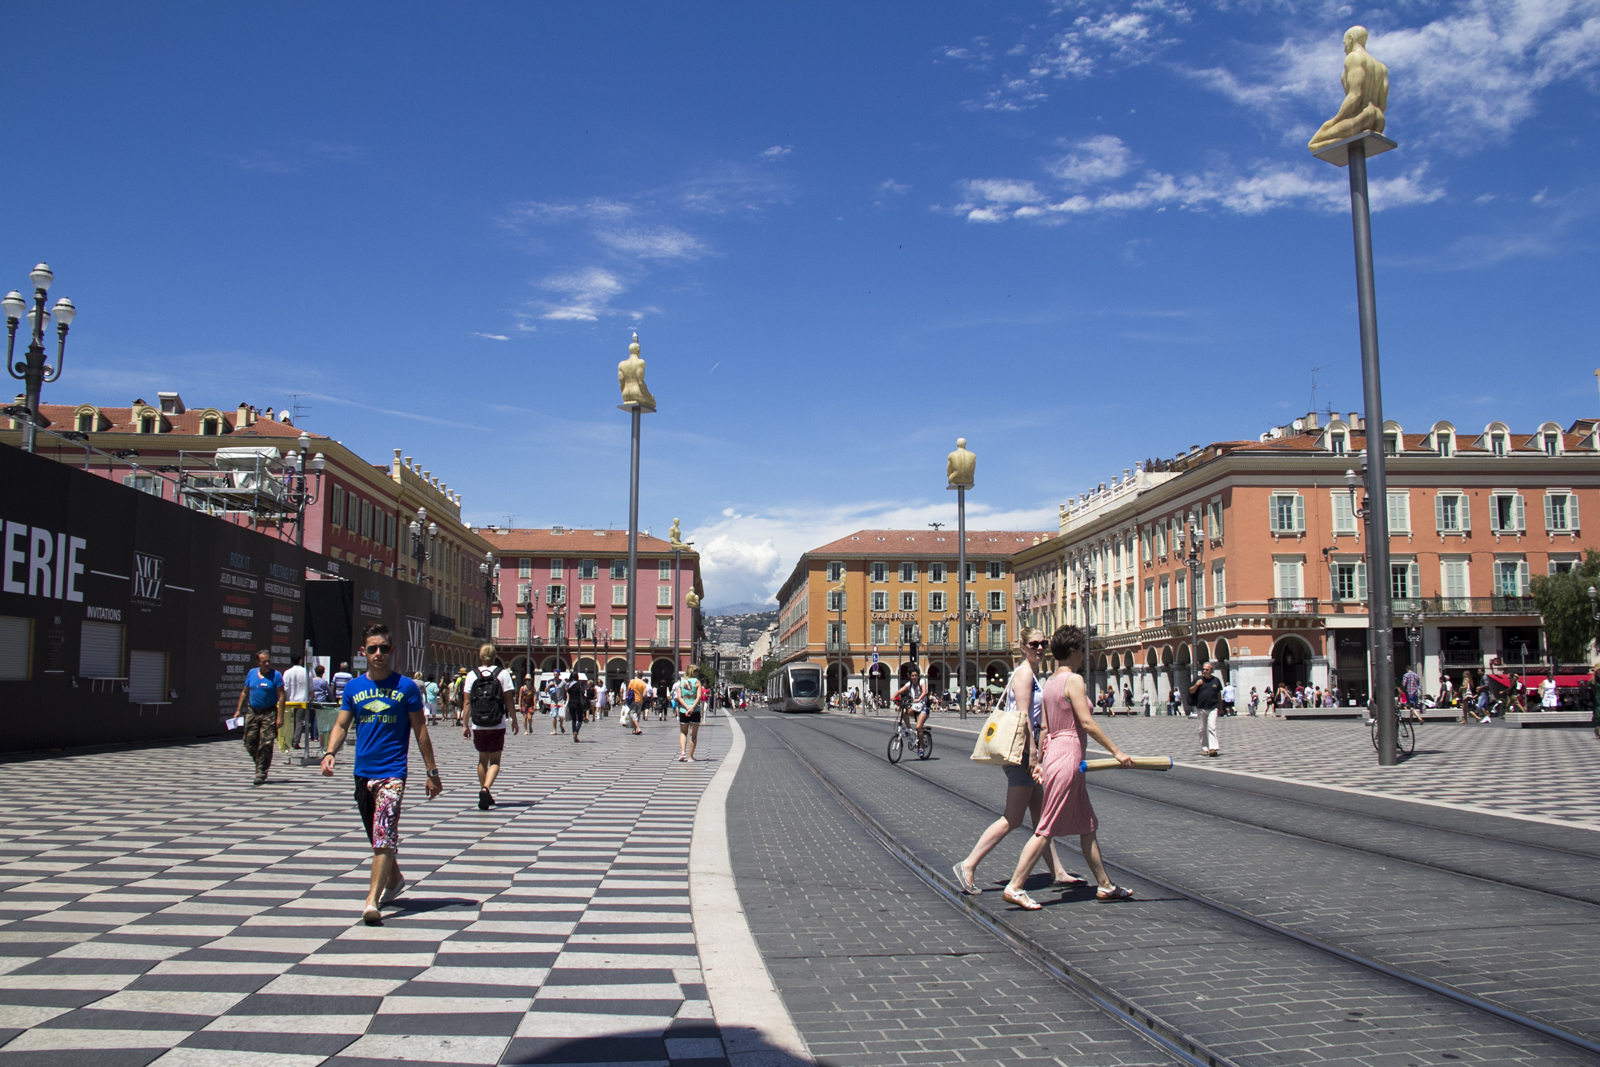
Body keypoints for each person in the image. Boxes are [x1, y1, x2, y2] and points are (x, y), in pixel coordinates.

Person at [1001, 625, 1136, 909]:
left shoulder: (1049, 682)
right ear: (1074, 652)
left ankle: (1105, 885)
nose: (1084, 655)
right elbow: (1086, 723)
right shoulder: (1073, 680)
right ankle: (1015, 886)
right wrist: (1117, 752)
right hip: (1069, 753)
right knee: (1046, 826)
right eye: (1083, 650)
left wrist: (1039, 760)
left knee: (1087, 823)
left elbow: (1046, 727)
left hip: (1056, 752)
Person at [320, 623, 442, 925]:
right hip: (362, 773)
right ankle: (395, 878)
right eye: (372, 648)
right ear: (364, 652)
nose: (378, 654)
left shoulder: (406, 688)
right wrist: (330, 752)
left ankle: (371, 900)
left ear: (392, 651)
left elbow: (420, 731)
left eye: (384, 648)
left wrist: (432, 772)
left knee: (383, 836)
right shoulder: (353, 688)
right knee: (377, 836)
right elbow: (341, 725)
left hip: (392, 774)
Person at [954, 629, 1081, 897]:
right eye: (1034, 644)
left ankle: (1057, 871)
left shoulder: (1033, 674)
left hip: (1027, 751)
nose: (1040, 647)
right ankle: (967, 865)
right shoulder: (1024, 673)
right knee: (1012, 819)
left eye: (1043, 643)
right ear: (1022, 647)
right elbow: (1023, 717)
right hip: (1023, 752)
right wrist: (1035, 755)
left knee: (1042, 818)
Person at [462, 643, 517, 810]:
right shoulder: (503, 674)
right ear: (495, 655)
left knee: (482, 759)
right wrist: (514, 719)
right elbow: (508, 700)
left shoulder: (472, 675)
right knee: (495, 761)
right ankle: (486, 789)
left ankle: (484, 790)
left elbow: (466, 702)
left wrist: (465, 724)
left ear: (480, 656)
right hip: (497, 723)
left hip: (478, 724)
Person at [235, 649, 285, 785]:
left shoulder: (276, 675)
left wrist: (280, 717)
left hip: (269, 712)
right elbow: (245, 692)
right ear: (258, 662)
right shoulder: (252, 673)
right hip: (253, 711)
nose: (267, 664)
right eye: (264, 662)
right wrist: (238, 710)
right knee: (249, 741)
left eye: (269, 661)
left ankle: (261, 771)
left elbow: (281, 695)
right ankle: (259, 761)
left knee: (266, 742)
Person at [1190, 661, 1223, 757]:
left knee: (1212, 727)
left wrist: (1220, 707)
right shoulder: (1198, 679)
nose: (1204, 671)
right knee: (1201, 729)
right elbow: (1191, 691)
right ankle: (1204, 748)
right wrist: (1197, 685)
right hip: (1201, 708)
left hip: (1213, 707)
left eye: (1207, 669)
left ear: (1211, 670)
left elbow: (1219, 694)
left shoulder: (1216, 680)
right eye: (1203, 669)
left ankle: (1213, 748)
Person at [892, 665, 931, 738]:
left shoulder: (921, 682)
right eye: (912, 676)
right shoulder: (909, 684)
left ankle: (921, 748)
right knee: (904, 712)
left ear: (918, 676)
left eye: (916, 675)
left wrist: (919, 699)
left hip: (924, 707)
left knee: (918, 727)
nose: (914, 677)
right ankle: (909, 729)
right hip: (915, 707)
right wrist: (893, 697)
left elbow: (925, 692)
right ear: (910, 676)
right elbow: (899, 691)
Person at [673, 671, 704, 761]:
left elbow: (679, 697)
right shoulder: (697, 682)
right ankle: (690, 757)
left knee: (683, 732)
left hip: (683, 710)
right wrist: (692, 708)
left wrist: (686, 707)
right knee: (693, 735)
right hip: (695, 711)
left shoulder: (681, 683)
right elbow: (698, 697)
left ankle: (683, 752)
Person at [283, 654, 310, 747]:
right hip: (302, 701)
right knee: (299, 721)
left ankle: (289, 740)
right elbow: (311, 687)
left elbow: (285, 688)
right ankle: (295, 741)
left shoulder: (287, 672)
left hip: (290, 701)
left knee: (290, 721)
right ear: (300, 661)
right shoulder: (305, 671)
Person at [565, 672, 590, 742]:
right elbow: (583, 692)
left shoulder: (568, 684)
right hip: (578, 703)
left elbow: (567, 692)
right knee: (580, 719)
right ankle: (576, 731)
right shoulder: (579, 684)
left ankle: (574, 734)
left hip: (571, 703)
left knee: (573, 719)